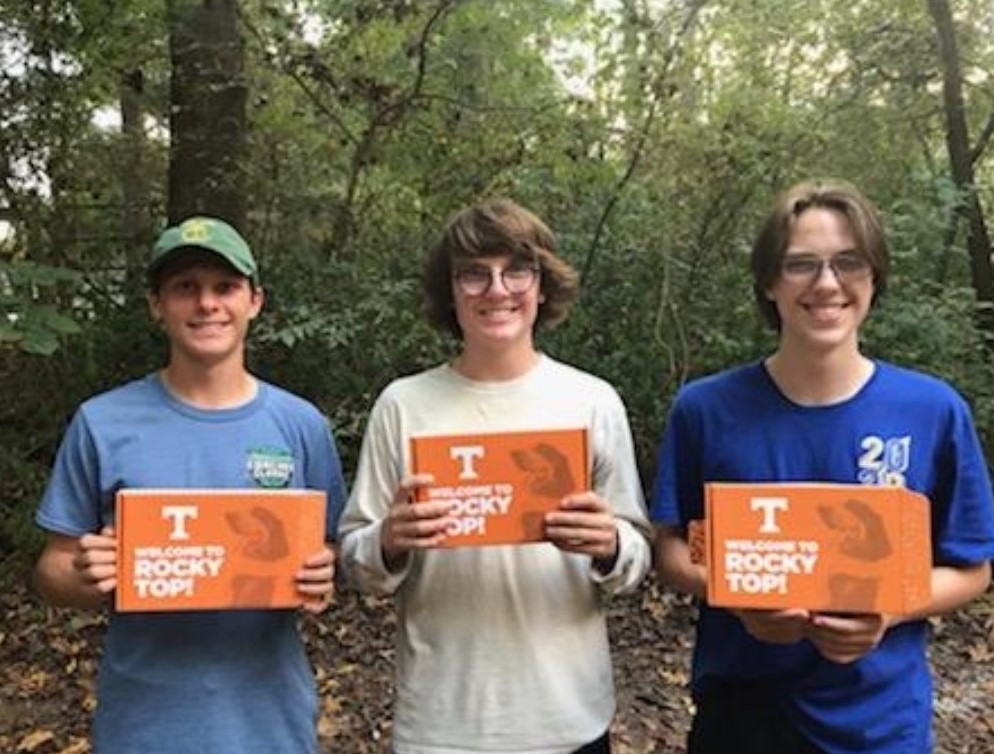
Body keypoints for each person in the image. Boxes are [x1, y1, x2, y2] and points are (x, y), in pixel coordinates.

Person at [651, 179, 994, 754]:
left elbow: (972, 566)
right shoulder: (706, 409)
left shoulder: (933, 410)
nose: (827, 283)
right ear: (769, 281)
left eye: (848, 263)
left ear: (874, 276)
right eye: (801, 264)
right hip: (742, 714)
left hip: (880, 723)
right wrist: (737, 595)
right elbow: (671, 549)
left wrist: (889, 607)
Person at [339, 197, 652, 754]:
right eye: (474, 275)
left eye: (517, 271)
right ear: (450, 292)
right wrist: (388, 541)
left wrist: (609, 546)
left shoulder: (591, 400)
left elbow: (636, 557)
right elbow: (356, 563)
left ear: (542, 286)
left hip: (569, 717)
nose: (497, 290)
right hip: (443, 722)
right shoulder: (403, 405)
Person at [33, 216, 348, 754]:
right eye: (185, 288)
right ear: (157, 305)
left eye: (224, 287)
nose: (207, 304)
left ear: (255, 301)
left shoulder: (301, 425)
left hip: (269, 720)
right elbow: (50, 570)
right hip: (144, 722)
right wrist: (85, 574)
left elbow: (333, 548)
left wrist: (325, 568)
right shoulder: (102, 422)